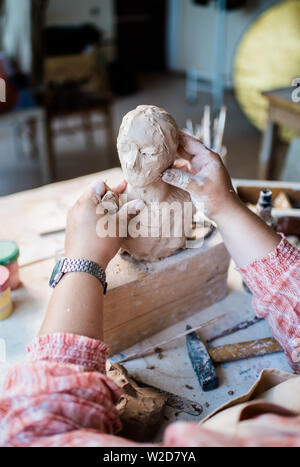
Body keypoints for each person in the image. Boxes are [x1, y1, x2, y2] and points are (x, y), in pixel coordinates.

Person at [0, 133, 299, 447]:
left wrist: (83, 261)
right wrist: (225, 207)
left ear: (169, 156)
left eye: (146, 150)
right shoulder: (121, 204)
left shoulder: (182, 201)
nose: (131, 162)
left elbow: (31, 426)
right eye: (126, 148)